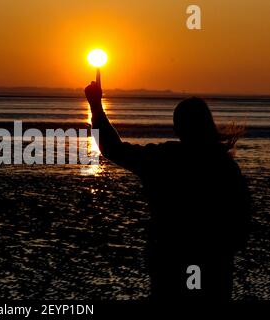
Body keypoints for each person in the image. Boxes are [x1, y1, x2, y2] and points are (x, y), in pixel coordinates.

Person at [85, 81, 251, 301]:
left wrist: (96, 107)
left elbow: (112, 149)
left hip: (175, 261)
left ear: (178, 128)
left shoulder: (165, 158)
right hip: (212, 263)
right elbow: (243, 217)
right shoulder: (224, 164)